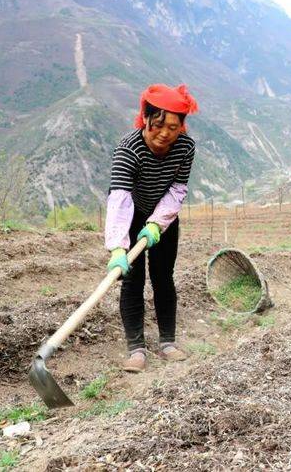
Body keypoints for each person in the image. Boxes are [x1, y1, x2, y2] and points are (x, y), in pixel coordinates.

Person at [104, 84, 198, 372]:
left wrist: (158, 223)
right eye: (158, 125)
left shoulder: (185, 147)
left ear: (181, 126)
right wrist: (119, 248)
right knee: (132, 279)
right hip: (132, 214)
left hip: (164, 217)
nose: (165, 133)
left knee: (163, 277)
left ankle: (167, 342)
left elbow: (177, 190)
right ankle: (136, 350)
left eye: (173, 126)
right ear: (145, 119)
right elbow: (119, 198)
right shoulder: (129, 149)